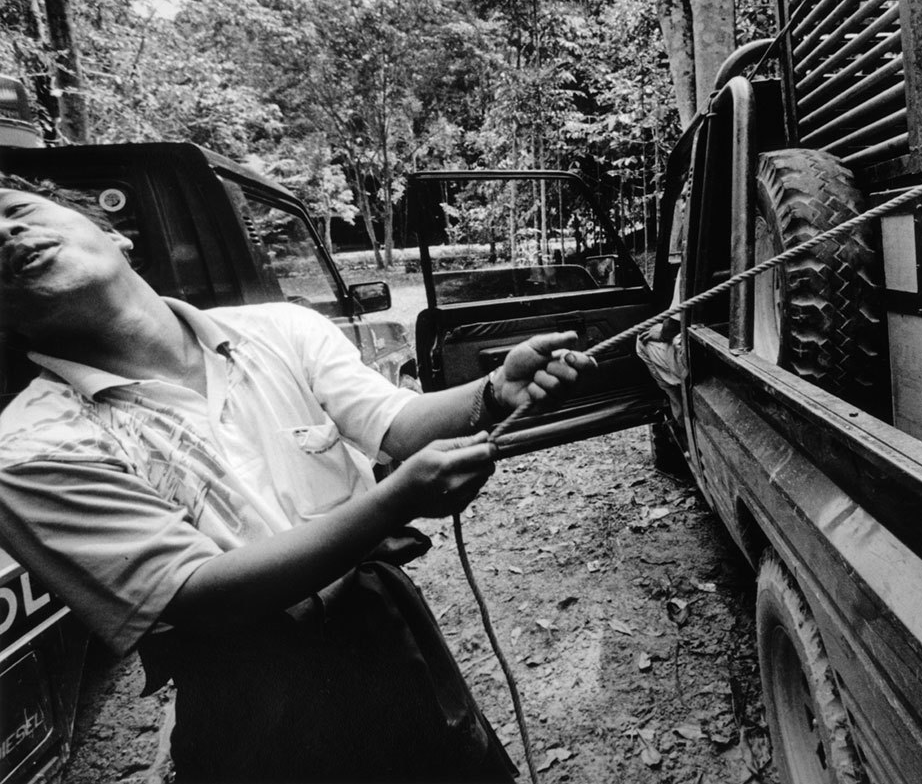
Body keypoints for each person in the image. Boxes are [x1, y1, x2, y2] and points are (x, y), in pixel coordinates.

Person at [0, 174, 595, 782]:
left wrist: (493, 392)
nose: (3, 232)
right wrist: (394, 501)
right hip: (249, 696)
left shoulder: (281, 329)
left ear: (113, 234)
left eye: (15, 209)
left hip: (385, 636)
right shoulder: (26, 450)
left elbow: (397, 425)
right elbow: (198, 593)